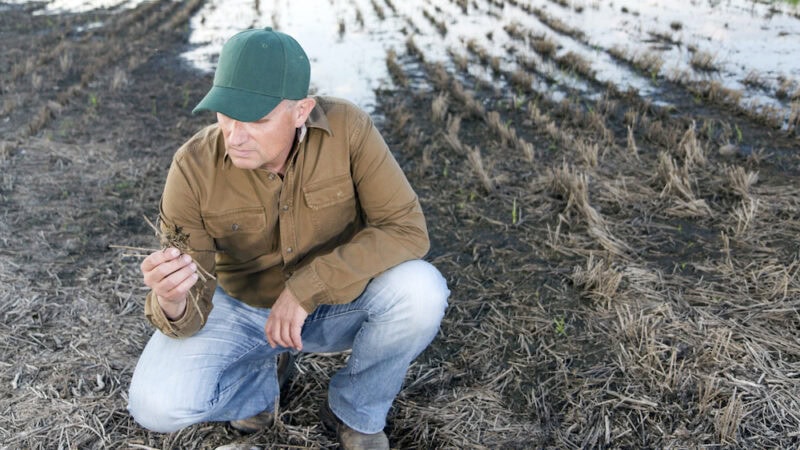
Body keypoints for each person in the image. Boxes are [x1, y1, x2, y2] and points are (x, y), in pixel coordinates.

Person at [126, 26, 449, 449]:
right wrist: (173, 300)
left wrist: (306, 289)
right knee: (155, 405)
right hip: (244, 308)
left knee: (421, 291)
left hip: (337, 303)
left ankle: (354, 411)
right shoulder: (191, 168)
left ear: (301, 111)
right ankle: (258, 389)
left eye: (256, 119)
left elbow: (406, 229)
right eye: (225, 114)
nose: (234, 136)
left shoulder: (348, 128)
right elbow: (195, 293)